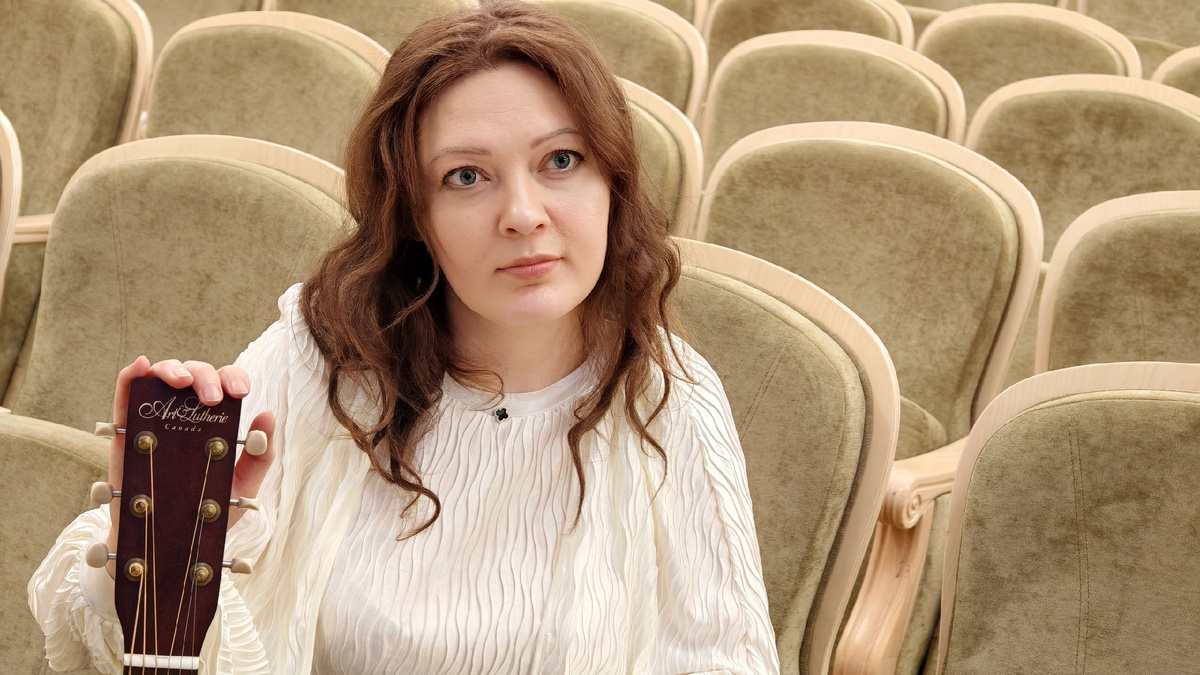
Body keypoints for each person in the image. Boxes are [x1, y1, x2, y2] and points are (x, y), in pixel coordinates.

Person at [28, 2, 780, 673]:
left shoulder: (670, 397)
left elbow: (725, 659)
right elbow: (116, 630)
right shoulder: (321, 356)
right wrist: (152, 544)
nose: (523, 214)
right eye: (466, 176)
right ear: (415, 213)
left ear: (611, 181)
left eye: (561, 160)